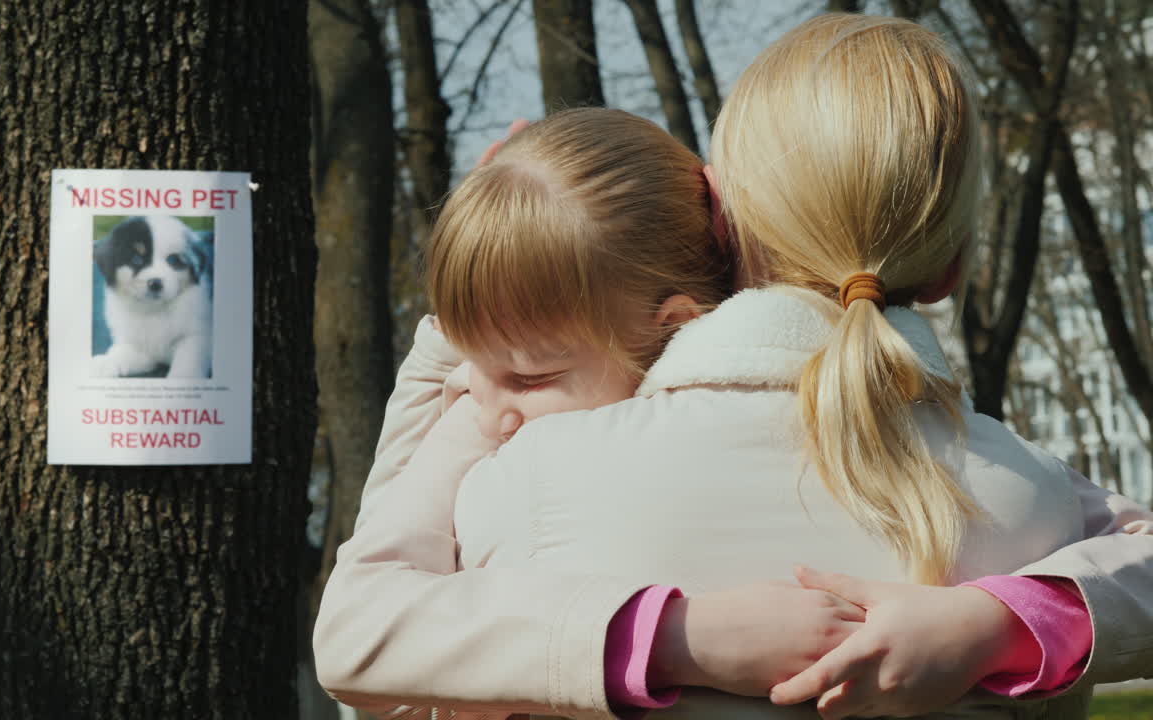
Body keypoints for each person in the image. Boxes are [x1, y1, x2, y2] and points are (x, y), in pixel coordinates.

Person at [314, 18, 1153, 720]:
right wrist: (1006, 624)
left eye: (524, 377)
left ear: (719, 212)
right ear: (952, 267)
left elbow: (367, 639)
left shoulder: (525, 481)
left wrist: (673, 639)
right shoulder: (1036, 496)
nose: (490, 399)